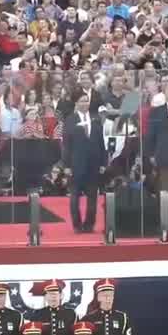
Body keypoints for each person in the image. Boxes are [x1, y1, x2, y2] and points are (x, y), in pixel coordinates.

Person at [61, 92, 105, 233]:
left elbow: (101, 143)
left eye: (86, 101)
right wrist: (66, 165)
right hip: (76, 164)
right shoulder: (70, 120)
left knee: (92, 197)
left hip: (93, 165)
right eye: (82, 101)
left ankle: (89, 224)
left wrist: (103, 162)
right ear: (76, 103)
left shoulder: (96, 119)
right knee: (74, 197)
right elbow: (66, 144)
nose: (85, 103)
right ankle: (77, 225)